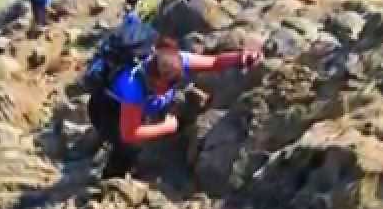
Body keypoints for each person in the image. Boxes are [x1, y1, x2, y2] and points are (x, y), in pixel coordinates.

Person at [87, 28, 262, 179]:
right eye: (164, 86)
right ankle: (110, 180)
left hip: (142, 107)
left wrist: (241, 58)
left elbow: (214, 62)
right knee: (128, 147)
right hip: (108, 110)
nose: (168, 89)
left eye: (173, 85)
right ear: (152, 78)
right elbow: (130, 133)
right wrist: (167, 127)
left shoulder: (177, 60)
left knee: (175, 106)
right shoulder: (131, 86)